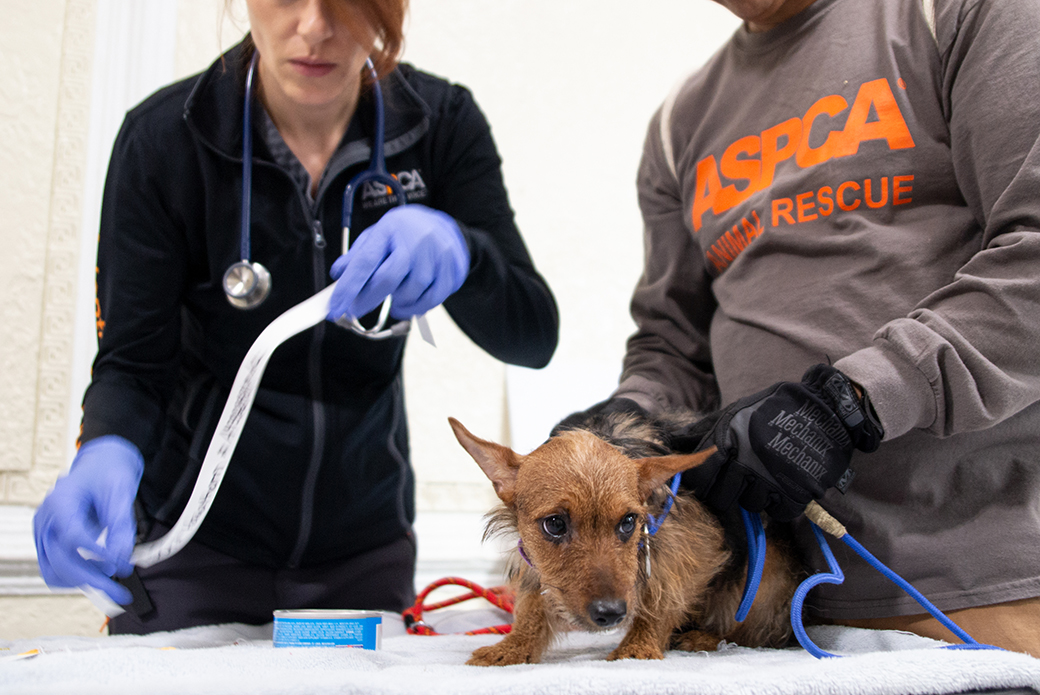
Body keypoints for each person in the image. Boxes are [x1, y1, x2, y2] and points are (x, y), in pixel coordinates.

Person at [32, 0, 558, 635]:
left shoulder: (438, 125)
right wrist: (105, 448)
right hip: (194, 549)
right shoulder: (167, 139)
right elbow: (133, 364)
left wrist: (465, 252)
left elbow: (533, 334)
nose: (314, 27)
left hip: (362, 553)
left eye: (344, 1)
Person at [570, 0, 1040, 657]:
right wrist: (624, 418)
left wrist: (849, 403)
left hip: (971, 597)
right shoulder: (679, 125)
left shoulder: (957, 13)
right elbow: (671, 343)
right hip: (745, 609)